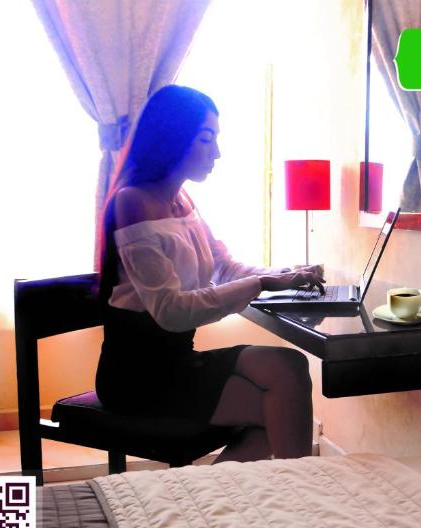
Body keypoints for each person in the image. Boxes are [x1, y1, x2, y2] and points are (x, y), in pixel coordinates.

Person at [95, 85, 326, 462]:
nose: (216, 152)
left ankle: (253, 497)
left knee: (289, 365)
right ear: (173, 137)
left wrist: (287, 274)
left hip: (178, 359)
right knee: (277, 406)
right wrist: (263, 284)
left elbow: (225, 266)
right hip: (138, 377)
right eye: (206, 139)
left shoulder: (182, 201)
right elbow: (169, 310)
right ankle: (295, 497)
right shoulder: (132, 201)